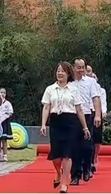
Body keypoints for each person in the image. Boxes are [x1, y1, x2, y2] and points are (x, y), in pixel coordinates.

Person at [41, 62, 90, 194]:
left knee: (67, 154)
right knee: (56, 155)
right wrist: (43, 124)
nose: (60, 73)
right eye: (58, 71)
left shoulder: (74, 89)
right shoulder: (50, 89)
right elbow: (46, 107)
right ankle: (58, 172)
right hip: (56, 122)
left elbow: (79, 109)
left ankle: (64, 182)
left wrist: (85, 127)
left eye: (62, 71)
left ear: (68, 74)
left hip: (71, 122)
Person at [70, 59, 101, 185]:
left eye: (83, 67)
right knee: (74, 147)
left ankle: (87, 168)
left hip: (87, 115)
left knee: (87, 145)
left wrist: (97, 115)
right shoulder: (69, 82)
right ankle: (75, 175)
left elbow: (96, 99)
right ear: (73, 68)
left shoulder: (91, 82)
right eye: (78, 67)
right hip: (72, 116)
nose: (81, 70)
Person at [85, 67, 107, 174]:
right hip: (85, 113)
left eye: (89, 71)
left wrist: (101, 113)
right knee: (87, 139)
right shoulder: (78, 84)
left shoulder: (99, 89)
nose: (88, 73)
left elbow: (101, 102)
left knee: (97, 139)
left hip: (96, 113)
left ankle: (94, 157)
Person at [0, 88, 14, 161]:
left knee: (4, 140)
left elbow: (10, 112)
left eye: (4, 92)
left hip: (5, 123)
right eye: (1, 92)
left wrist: (4, 117)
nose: (2, 94)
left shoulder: (8, 103)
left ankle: (5, 156)